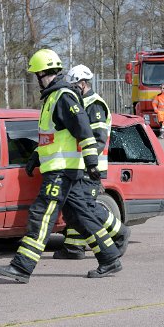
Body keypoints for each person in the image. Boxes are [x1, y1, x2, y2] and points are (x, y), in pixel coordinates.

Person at [0, 49, 122, 283]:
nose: (35, 80)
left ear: (43, 73)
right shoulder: (54, 97)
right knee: (79, 215)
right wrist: (35, 155)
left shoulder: (63, 97)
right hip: (62, 168)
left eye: (36, 75)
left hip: (62, 170)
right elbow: (51, 138)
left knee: (41, 215)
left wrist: (92, 161)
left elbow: (84, 129)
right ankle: (110, 258)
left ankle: (22, 267)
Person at [51, 64, 131, 260]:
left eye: (74, 85)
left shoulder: (94, 104)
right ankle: (73, 247)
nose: (71, 89)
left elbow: (97, 138)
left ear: (84, 83)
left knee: (86, 206)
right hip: (79, 164)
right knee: (76, 206)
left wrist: (90, 162)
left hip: (92, 166)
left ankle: (119, 232)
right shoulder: (80, 102)